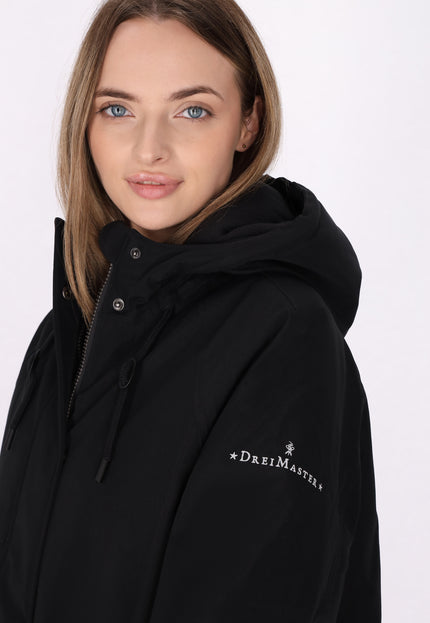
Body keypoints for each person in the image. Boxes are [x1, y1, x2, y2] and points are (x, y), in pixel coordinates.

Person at [0, 0, 381, 621]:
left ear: (248, 123)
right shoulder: (71, 327)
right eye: (117, 109)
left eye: (192, 110)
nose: (149, 149)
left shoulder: (285, 337)